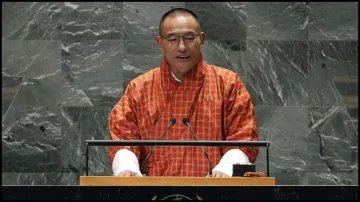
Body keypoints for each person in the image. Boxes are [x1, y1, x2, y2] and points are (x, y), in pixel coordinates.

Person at [108, 8, 259, 178]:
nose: (182, 47)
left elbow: (243, 137)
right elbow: (123, 137)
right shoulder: (138, 89)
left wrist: (225, 169)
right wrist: (128, 169)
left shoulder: (229, 84)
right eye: (172, 39)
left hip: (214, 191)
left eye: (189, 38)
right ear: (160, 43)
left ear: (201, 39)